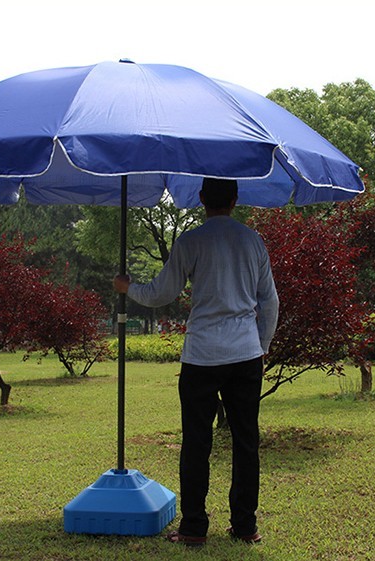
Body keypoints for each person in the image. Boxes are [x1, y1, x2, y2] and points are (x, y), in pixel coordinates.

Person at [113, 177, 279, 546]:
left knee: (196, 442)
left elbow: (162, 294)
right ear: (236, 199)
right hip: (245, 353)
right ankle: (245, 524)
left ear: (201, 198)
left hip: (202, 354)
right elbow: (270, 302)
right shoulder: (253, 241)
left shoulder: (191, 241)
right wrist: (261, 345)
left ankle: (193, 528)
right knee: (246, 441)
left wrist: (129, 288)